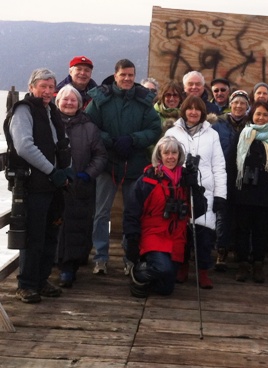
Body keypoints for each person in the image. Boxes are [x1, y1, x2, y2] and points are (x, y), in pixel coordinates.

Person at [85, 59, 162, 275]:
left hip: (134, 163)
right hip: (107, 163)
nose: (127, 79)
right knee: (101, 213)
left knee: (132, 212)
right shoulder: (101, 99)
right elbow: (89, 125)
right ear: (115, 75)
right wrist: (109, 140)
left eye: (131, 75)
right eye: (123, 75)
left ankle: (130, 256)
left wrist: (133, 139)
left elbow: (155, 129)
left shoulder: (143, 100)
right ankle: (101, 256)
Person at [6, 68, 74, 303]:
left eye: (50, 86)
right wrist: (52, 171)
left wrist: (67, 170)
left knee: (50, 234)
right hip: (33, 185)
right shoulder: (24, 111)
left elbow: (61, 144)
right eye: (42, 86)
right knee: (33, 236)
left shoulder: (50, 111)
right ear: (32, 87)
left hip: (54, 186)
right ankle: (26, 284)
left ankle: (42, 279)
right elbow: (24, 146)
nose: (47, 91)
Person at [123, 136, 205, 298]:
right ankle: (137, 271)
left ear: (179, 154)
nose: (170, 157)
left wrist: (194, 187)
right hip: (153, 233)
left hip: (176, 237)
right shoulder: (148, 179)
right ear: (159, 155)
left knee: (166, 289)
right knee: (162, 268)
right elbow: (132, 210)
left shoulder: (185, 179)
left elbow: (200, 210)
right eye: (166, 153)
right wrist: (132, 238)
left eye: (174, 152)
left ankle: (150, 279)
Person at [165, 95, 227, 289]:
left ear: (202, 112)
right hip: (179, 189)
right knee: (182, 234)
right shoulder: (172, 132)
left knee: (204, 236)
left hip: (205, 192)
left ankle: (202, 272)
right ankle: (182, 268)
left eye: (197, 109)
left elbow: (219, 166)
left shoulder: (212, 134)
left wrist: (220, 195)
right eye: (189, 109)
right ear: (184, 111)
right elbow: (163, 159)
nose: (193, 112)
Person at [228, 101, 268, 282]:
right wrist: (229, 191)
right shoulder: (241, 136)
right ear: (251, 115)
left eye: (265, 115)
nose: (260, 118)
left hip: (264, 193)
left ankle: (259, 263)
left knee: (261, 230)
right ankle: (243, 263)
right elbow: (230, 164)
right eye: (257, 114)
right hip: (242, 191)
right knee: (242, 229)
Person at [55, 85, 107, 287]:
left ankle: (69, 267)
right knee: (55, 225)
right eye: (65, 99)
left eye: (73, 100)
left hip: (80, 184)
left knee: (77, 225)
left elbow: (100, 155)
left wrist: (88, 174)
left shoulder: (89, 126)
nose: (69, 103)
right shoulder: (50, 123)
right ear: (58, 101)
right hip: (54, 184)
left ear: (80, 103)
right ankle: (52, 264)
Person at [212, 90, 250, 271]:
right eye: (236, 103)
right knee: (223, 215)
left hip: (244, 176)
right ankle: (221, 249)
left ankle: (239, 250)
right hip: (222, 174)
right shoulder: (218, 124)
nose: (239, 106)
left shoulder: (251, 125)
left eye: (243, 103)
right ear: (230, 104)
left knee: (242, 214)